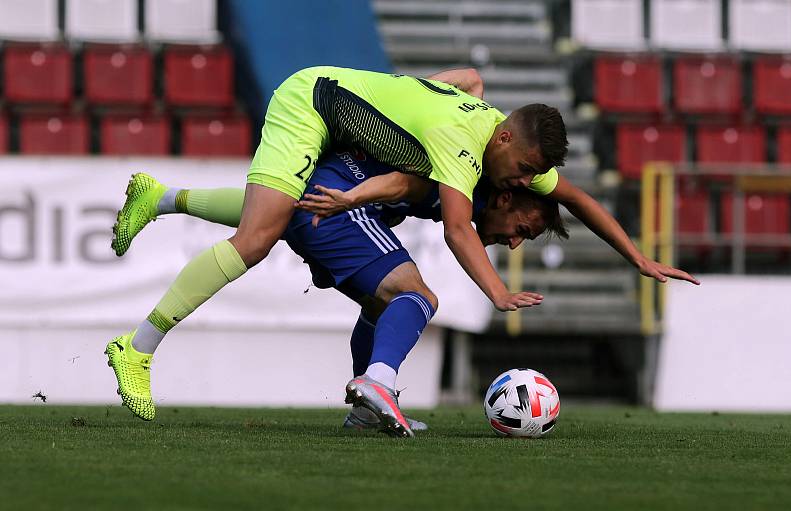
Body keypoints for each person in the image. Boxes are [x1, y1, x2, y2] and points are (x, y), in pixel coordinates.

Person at [106, 148, 567, 436]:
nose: (512, 241)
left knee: (286, 228)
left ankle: (163, 198)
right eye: (521, 230)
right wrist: (354, 198)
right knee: (417, 296)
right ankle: (378, 381)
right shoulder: (463, 180)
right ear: (506, 198)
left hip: (326, 175)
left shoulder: (469, 164)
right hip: (342, 192)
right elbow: (407, 183)